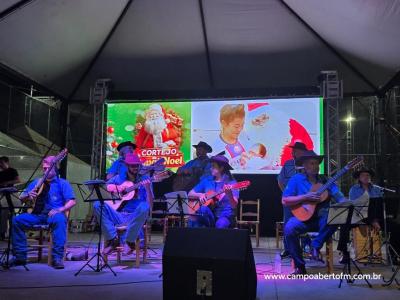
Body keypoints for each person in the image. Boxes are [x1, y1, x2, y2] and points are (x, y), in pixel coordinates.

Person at [282, 150, 346, 274]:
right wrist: (305, 197)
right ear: (304, 166)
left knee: (334, 218)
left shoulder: (325, 180)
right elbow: (285, 200)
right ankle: (300, 266)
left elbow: (339, 196)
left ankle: (315, 245)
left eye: (317, 164)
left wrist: (346, 201)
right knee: (289, 229)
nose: (315, 166)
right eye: (311, 163)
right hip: (302, 218)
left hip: (322, 219)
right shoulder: (296, 179)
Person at [12, 156, 76, 269]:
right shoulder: (37, 182)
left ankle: (57, 258)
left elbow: (72, 201)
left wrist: (60, 209)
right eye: (43, 168)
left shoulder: (62, 183)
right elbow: (21, 198)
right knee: (17, 220)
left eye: (47, 168)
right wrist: (27, 195)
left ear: (55, 169)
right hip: (38, 215)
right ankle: (20, 257)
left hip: (54, 215)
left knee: (60, 219)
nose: (44, 170)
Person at [93, 153, 153, 255]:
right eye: (132, 165)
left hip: (134, 216)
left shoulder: (145, 179)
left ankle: (129, 241)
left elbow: (150, 204)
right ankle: (113, 239)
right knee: (97, 204)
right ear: (127, 166)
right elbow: (105, 187)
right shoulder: (119, 178)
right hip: (118, 214)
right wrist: (118, 188)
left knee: (145, 206)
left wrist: (148, 189)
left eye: (137, 165)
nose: (135, 168)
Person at [337, 167, 383, 264]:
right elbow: (354, 206)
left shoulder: (376, 189)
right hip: (359, 216)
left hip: (375, 217)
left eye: (368, 175)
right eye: (363, 175)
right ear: (359, 178)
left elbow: (379, 206)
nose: (366, 177)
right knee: (344, 224)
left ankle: (394, 256)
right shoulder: (354, 189)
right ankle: (344, 253)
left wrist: (375, 218)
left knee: (394, 226)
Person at [188, 155, 239, 228]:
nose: (210, 168)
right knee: (200, 211)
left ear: (221, 168)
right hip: (209, 215)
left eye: (213, 167)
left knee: (220, 224)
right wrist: (200, 195)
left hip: (224, 216)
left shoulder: (231, 183)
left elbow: (234, 205)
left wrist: (230, 195)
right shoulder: (207, 181)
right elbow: (190, 193)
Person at [277, 142, 308, 258]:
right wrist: (286, 194)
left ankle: (306, 246)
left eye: (296, 150)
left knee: (304, 221)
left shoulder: (308, 164)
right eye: (293, 150)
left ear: (303, 152)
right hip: (289, 200)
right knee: (288, 223)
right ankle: (288, 248)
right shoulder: (288, 164)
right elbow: (280, 180)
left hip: (304, 200)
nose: (293, 152)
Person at [212, 104, 250, 169]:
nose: (240, 129)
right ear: (223, 123)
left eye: (242, 125)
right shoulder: (214, 149)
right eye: (236, 126)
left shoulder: (247, 142)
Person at [0, 156, 21, 240]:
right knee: (3, 214)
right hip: (2, 195)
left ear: (7, 162)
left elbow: (18, 180)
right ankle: (2, 233)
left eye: (1, 163)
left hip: (10, 194)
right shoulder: (0, 173)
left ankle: (11, 233)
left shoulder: (13, 171)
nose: (0, 165)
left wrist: (7, 183)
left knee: (10, 214)